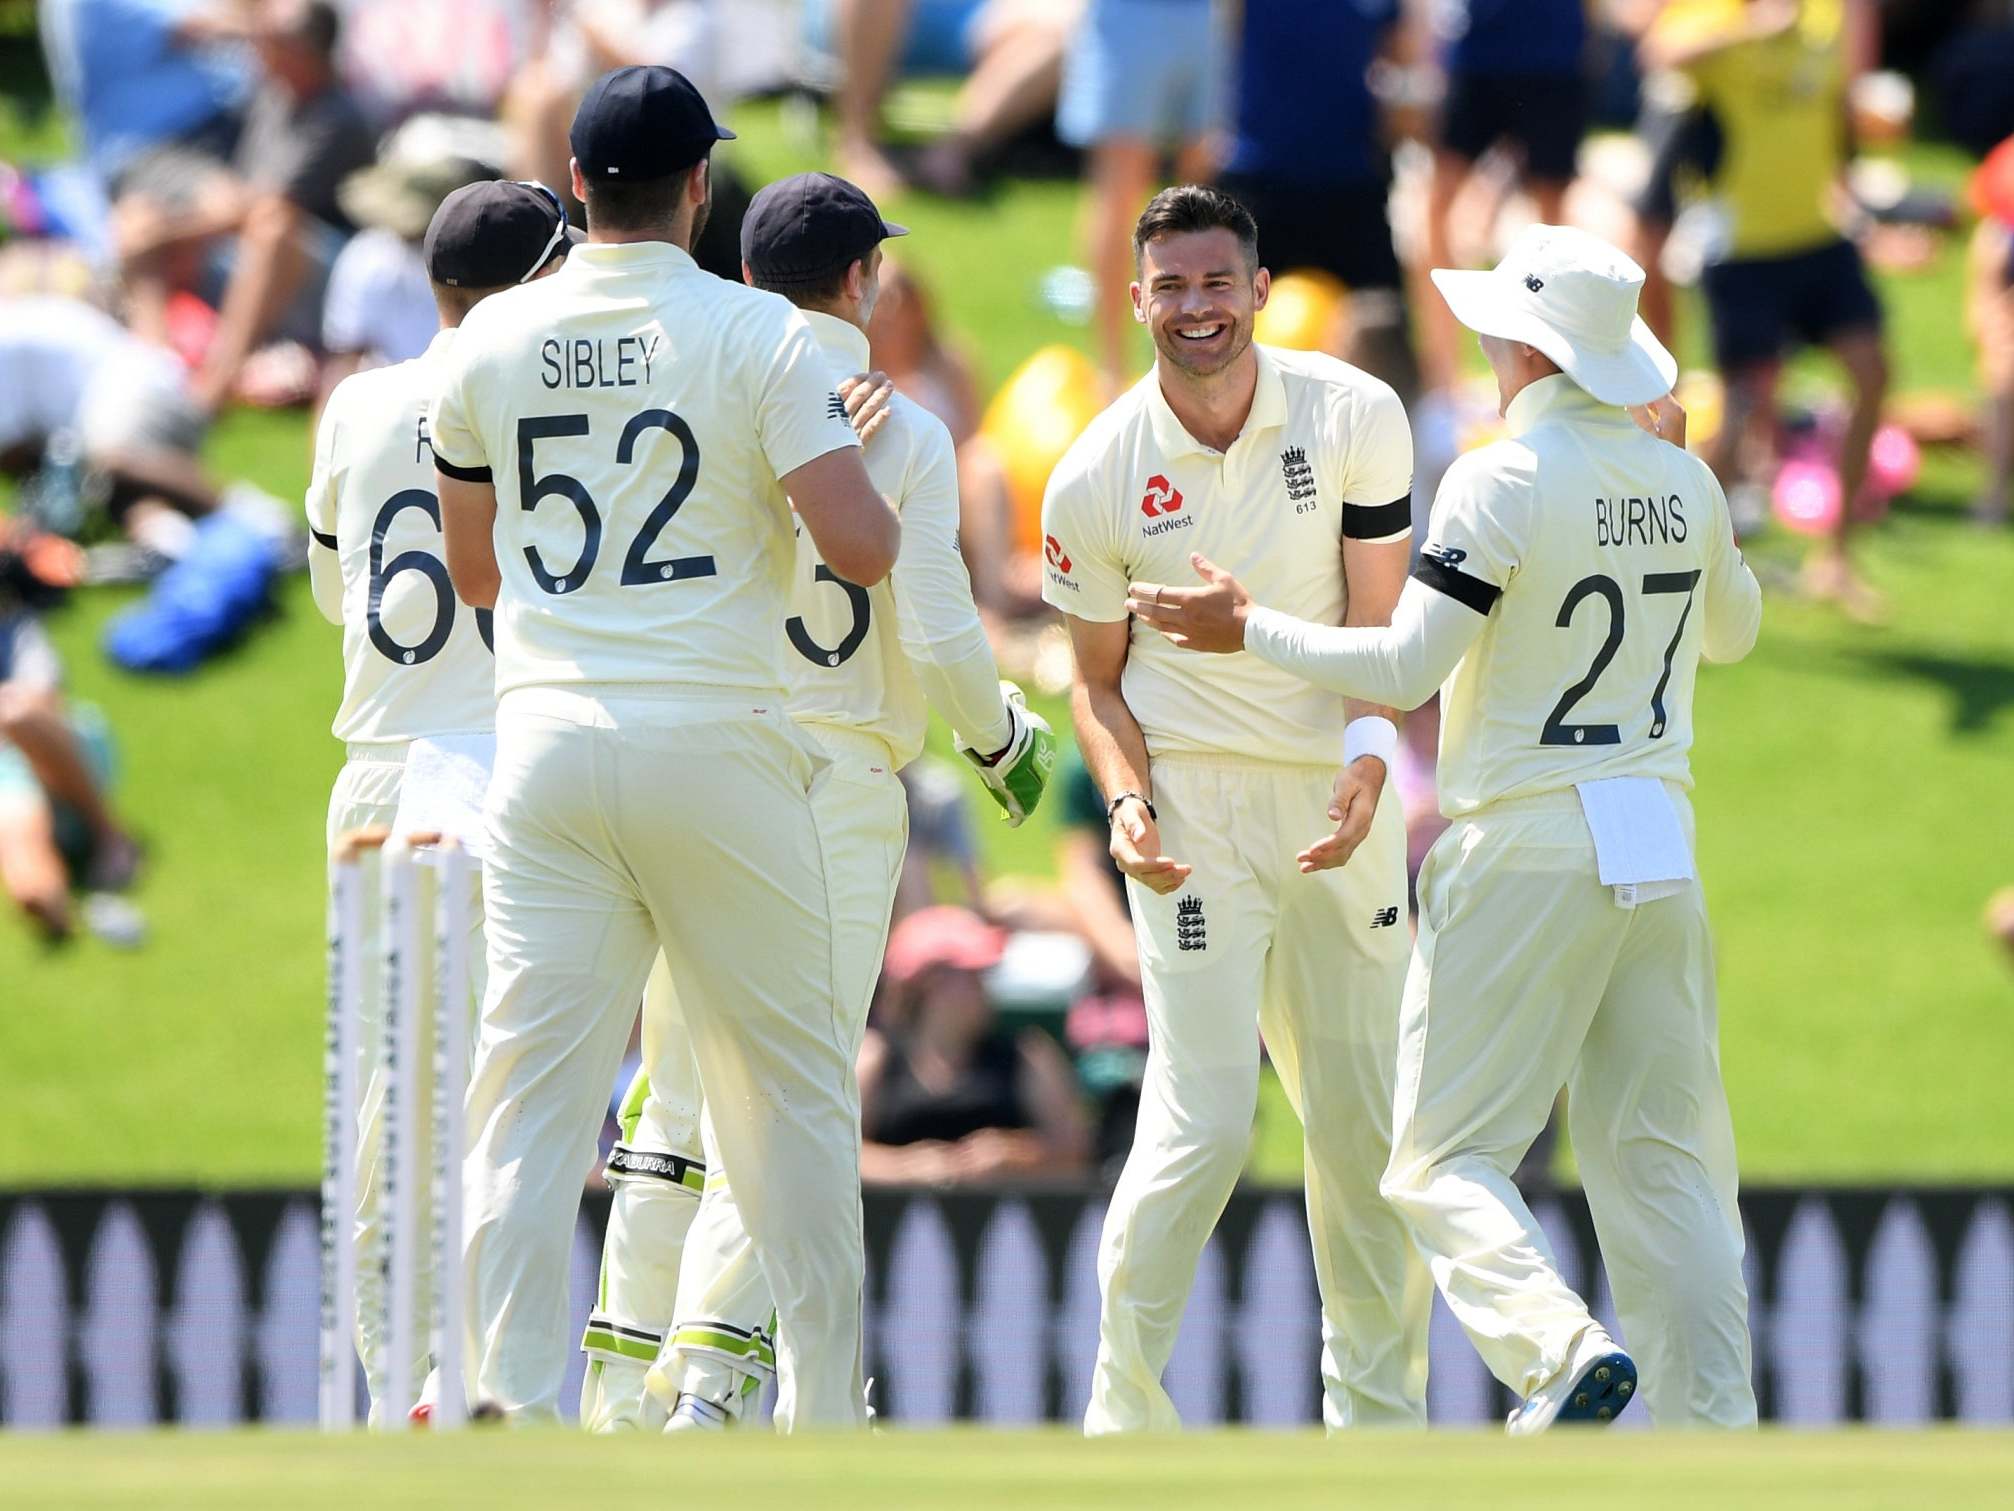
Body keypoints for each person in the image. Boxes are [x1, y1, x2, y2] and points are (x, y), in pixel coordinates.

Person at [1127, 223, 1763, 1432]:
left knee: (1434, 1157)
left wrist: (1246, 627)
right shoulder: (1679, 472)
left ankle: (1556, 1348)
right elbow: (1732, 632)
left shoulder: (1501, 478)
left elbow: (1408, 667)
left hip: (1526, 834)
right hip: (1659, 843)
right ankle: (1713, 1429)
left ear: (1522, 344)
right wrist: (1688, 489)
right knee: (1666, 1161)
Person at [426, 65, 900, 1427]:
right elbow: (859, 549)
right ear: (702, 189)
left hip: (549, 742)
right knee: (791, 1087)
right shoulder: (758, 337)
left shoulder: (486, 343)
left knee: (526, 1100)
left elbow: (473, 573)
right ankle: (817, 1409)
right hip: (716, 737)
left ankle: (508, 1403)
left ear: (578, 187)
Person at [577, 171, 1054, 1434]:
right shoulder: (898, 429)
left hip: (698, 754)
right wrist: (1002, 744)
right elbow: (942, 626)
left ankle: (623, 1373)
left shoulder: (707, 388)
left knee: (673, 1081)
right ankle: (720, 1365)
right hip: (833, 771)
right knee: (789, 1087)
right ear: (864, 280)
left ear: (742, 275)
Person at [1040, 185, 1430, 1434]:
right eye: (1171, 286)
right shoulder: (1095, 471)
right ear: (1137, 296)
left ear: (1259, 292)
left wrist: (1372, 757)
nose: (1196, 308)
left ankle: (1378, 1433)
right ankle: (1123, 1413)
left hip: (1337, 805)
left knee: (1366, 1135)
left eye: (1217, 283)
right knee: (1203, 1122)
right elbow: (1096, 686)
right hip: (1196, 816)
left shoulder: (1355, 414)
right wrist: (1127, 806)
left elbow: (1383, 630)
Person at [304, 177, 574, 1422]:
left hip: (381, 756)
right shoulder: (537, 395)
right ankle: (458, 1380)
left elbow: (330, 586)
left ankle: (403, 1386)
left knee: (386, 1104)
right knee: (493, 1101)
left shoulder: (355, 403)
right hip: (500, 761)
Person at [1643, 0, 1887, 615]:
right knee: (1741, 406)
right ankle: (1688, 576)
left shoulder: (1832, 19)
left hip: (1818, 237)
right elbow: (1658, 57)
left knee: (1873, 373)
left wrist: (1853, 193)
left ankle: (1834, 557)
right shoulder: (1711, 15)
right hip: (1743, 248)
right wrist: (1751, 28)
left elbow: (1841, 107)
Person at [115, 0, 377, 413]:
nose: (256, 49)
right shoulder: (271, 97)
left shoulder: (339, 117)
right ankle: (156, 376)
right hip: (250, 253)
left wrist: (174, 230)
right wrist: (166, 225)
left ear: (305, 52)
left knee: (273, 228)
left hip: (322, 279)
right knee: (139, 216)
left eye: (270, 41)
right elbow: (239, 196)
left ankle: (209, 395)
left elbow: (269, 208)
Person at [1214, 0, 1418, 397]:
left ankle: (1398, 447)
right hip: (1260, 177)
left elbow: (1399, 51)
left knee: (1384, 336)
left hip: (1351, 177)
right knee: (1225, 340)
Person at [1416, 0, 1589, 395]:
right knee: (1437, 205)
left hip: (1553, 50)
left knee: (1554, 227)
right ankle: (1442, 384)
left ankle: (1557, 376)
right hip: (1480, 48)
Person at [1053, 0, 1220, 393]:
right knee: (1120, 186)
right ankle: (1111, 373)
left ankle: (1190, 356)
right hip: (1132, 15)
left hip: (1204, 14)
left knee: (1199, 194)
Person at [857, 905, 1090, 1183]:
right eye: (968, 974)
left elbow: (1079, 1152)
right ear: (927, 983)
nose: (981, 986)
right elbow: (835, 1155)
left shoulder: (1028, 1053)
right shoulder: (875, 1058)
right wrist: (905, 1167)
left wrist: (1016, 1155)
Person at [1967, 134, 2014, 527]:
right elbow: (1991, 245)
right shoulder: (2006, 163)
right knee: (2002, 376)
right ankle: (1993, 493)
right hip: (2005, 285)